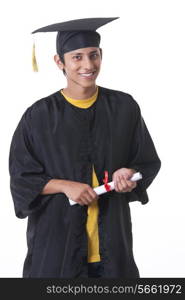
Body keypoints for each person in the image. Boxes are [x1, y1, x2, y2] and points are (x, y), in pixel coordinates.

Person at [9, 17, 161, 278]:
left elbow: (147, 162)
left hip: (113, 247)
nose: (88, 65)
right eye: (77, 57)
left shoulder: (124, 108)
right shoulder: (39, 116)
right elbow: (22, 179)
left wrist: (129, 173)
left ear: (101, 55)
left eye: (94, 55)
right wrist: (64, 185)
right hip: (57, 248)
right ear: (60, 62)